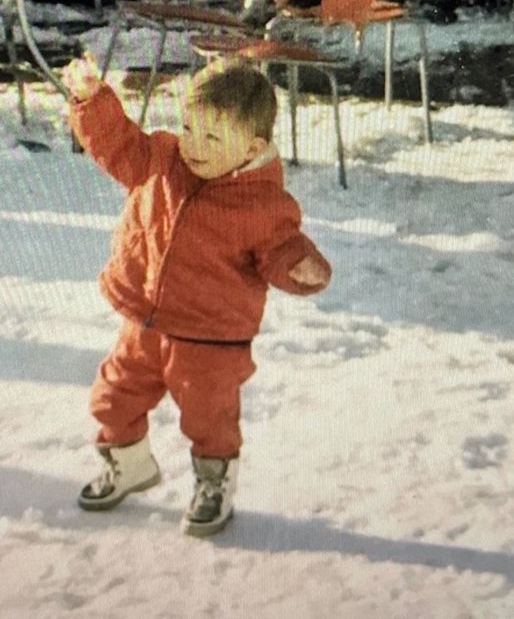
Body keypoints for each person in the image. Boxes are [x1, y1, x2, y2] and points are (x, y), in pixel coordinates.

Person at [62, 57, 332, 537]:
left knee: (209, 417)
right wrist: (92, 100)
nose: (193, 144)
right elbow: (116, 142)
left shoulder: (262, 205)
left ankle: (214, 482)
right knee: (113, 397)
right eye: (189, 127)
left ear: (252, 147)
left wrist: (299, 267)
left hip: (211, 338)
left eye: (212, 138)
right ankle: (129, 465)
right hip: (145, 320)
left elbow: (280, 250)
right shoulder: (162, 159)